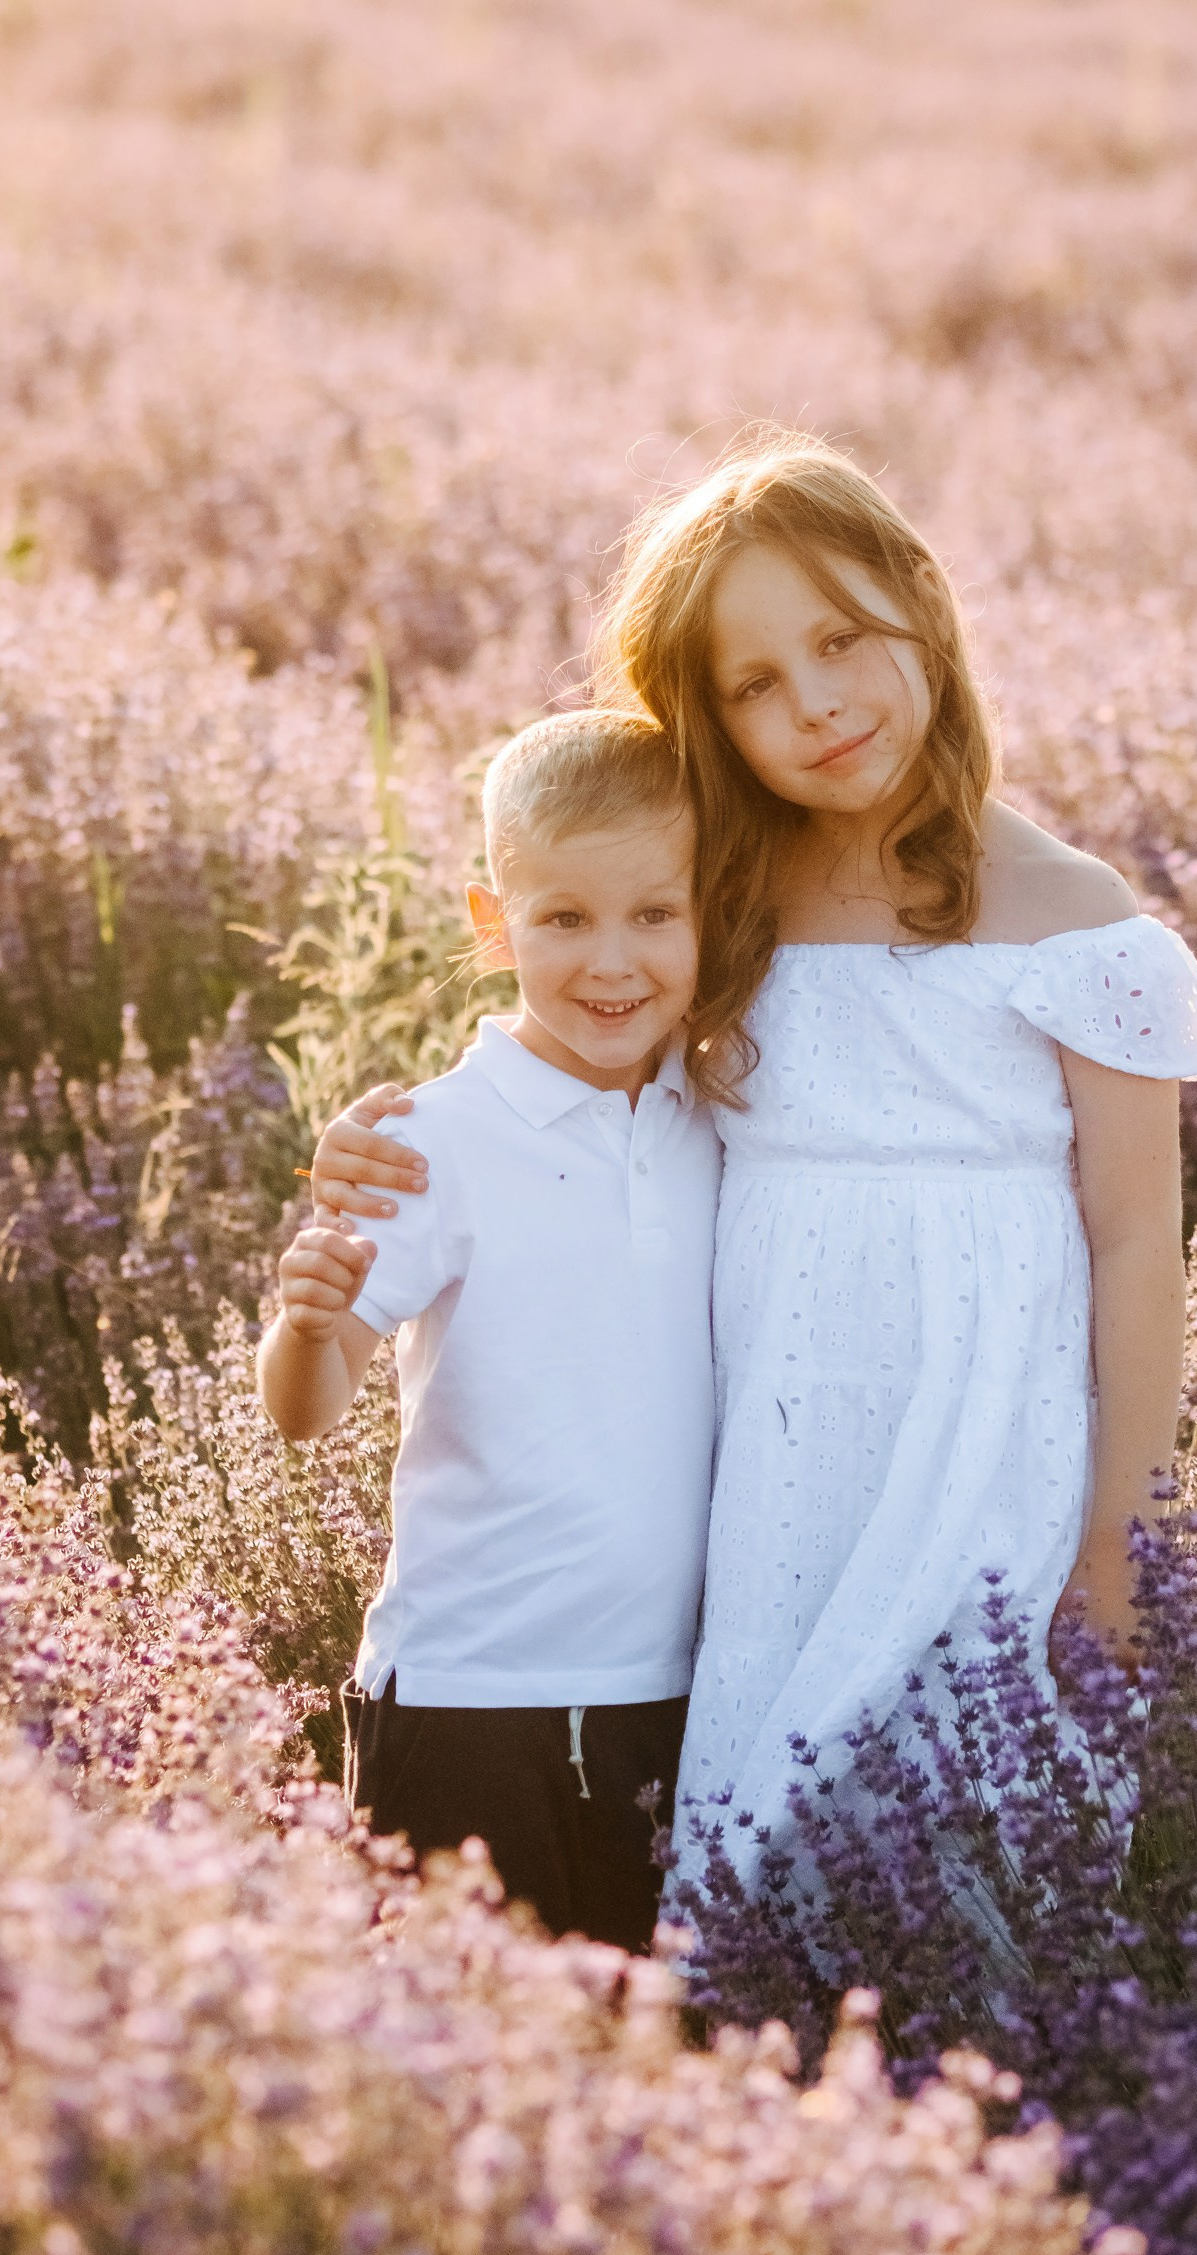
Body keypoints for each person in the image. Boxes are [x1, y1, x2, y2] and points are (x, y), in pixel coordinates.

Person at [309, 433, 1197, 1903]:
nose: (814, 701)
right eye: (751, 683)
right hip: (777, 1473)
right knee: (770, 1869)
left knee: (979, 1865)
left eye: (840, 639)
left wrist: (1116, 1545)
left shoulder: (1074, 917)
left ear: (922, 609)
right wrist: (391, 1138)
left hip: (985, 1455)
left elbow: (1135, 1241)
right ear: (707, 717)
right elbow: (580, 1027)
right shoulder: (729, 903)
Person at [259, 709, 720, 1947]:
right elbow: (306, 1410)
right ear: (490, 923)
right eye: (563, 918)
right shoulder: (429, 1143)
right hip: (468, 1709)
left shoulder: (722, 1118)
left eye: (654, 914)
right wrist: (304, 1325)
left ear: (708, 913)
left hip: (673, 1705)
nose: (611, 961)